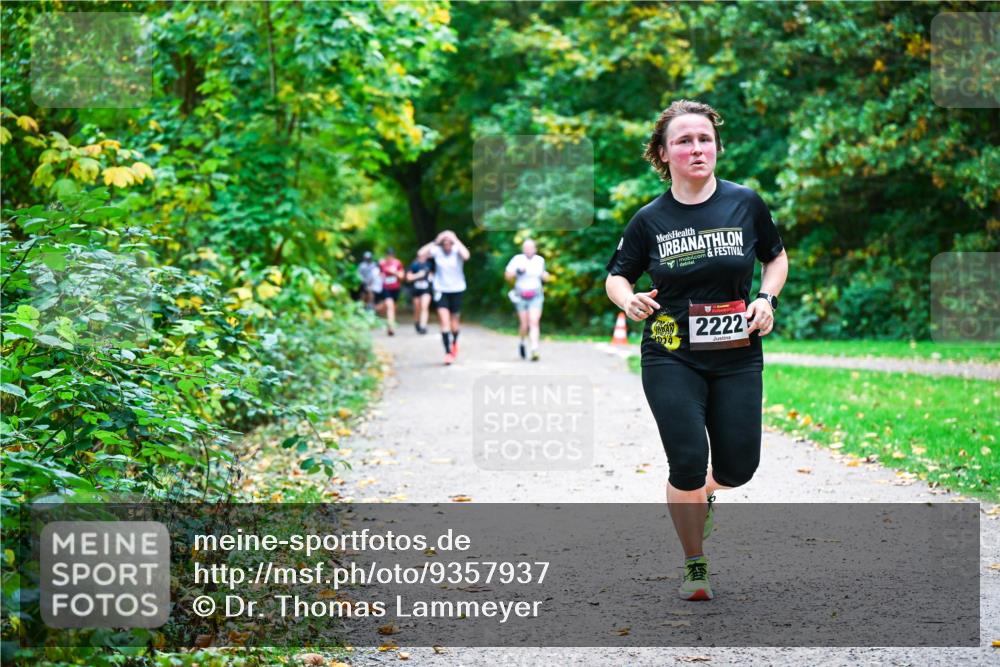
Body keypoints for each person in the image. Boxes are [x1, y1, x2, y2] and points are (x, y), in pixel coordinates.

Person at [604, 99, 788, 601]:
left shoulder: (745, 203)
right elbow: (617, 275)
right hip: (671, 354)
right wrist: (628, 299)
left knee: (737, 469)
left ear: (717, 147)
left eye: (704, 139)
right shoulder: (649, 219)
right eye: (683, 141)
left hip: (737, 354)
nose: (697, 148)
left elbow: (775, 258)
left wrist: (766, 299)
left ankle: (703, 494)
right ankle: (694, 563)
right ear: (664, 153)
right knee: (686, 460)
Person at [417, 230, 469, 365]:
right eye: (444, 243)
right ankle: (447, 352)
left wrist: (455, 238)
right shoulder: (437, 251)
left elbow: (466, 256)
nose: (446, 245)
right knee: (444, 322)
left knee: (454, 324)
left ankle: (454, 342)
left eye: (449, 242)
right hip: (441, 289)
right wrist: (436, 240)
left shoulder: (457, 250)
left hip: (457, 289)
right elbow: (421, 254)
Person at [504, 239, 550, 361]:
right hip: (521, 296)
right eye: (526, 248)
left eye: (531, 247)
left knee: (534, 322)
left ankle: (534, 349)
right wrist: (518, 271)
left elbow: (544, 275)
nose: (528, 250)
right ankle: (522, 342)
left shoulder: (540, 260)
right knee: (524, 324)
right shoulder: (517, 259)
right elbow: (507, 276)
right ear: (523, 249)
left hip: (536, 295)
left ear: (535, 249)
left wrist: (545, 276)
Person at [378, 248, 405, 336]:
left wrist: (394, 272)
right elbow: (380, 274)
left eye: (391, 255)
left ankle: (389, 324)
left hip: (395, 288)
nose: (390, 257)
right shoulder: (382, 263)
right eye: (388, 255)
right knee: (390, 306)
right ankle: (391, 328)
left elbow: (402, 276)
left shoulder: (398, 263)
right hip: (386, 288)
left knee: (392, 308)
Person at [407, 249, 434, 334]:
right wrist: (418, 275)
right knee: (417, 308)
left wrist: (431, 277)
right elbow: (408, 277)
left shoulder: (429, 264)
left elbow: (433, 274)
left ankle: (423, 326)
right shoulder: (414, 264)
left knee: (424, 306)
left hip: (426, 289)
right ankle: (417, 322)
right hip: (416, 289)